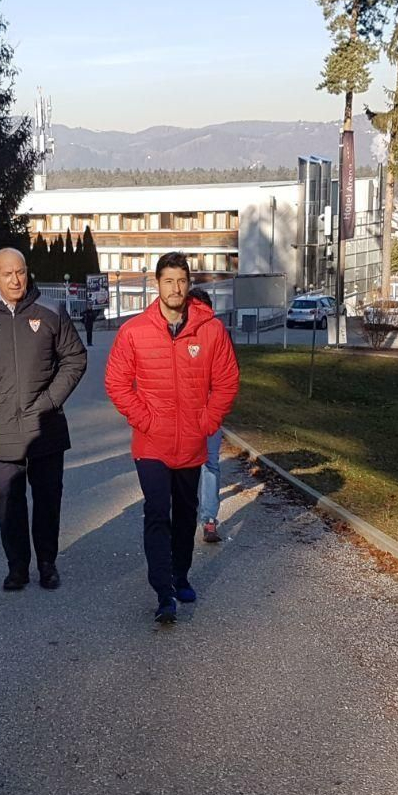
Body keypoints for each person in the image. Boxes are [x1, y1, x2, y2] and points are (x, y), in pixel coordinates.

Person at [104, 252, 239, 624]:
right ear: (157, 284)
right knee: (157, 513)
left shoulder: (210, 329)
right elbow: (116, 383)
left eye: (181, 281)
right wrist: (144, 419)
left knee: (185, 515)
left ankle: (180, 576)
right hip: (151, 443)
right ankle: (163, 592)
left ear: (188, 284)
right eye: (168, 281)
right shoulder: (134, 331)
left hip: (193, 443)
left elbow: (227, 381)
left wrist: (207, 422)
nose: (175, 288)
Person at [0, 247, 87, 591]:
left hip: (46, 427)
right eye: (8, 274)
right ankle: (16, 567)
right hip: (2, 430)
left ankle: (47, 563)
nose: (16, 280)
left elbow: (74, 358)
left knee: (47, 501)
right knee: (9, 503)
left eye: (21, 272)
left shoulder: (51, 311)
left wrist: (51, 400)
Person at [189, 288, 225, 544]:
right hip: (185, 413)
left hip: (208, 411)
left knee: (208, 464)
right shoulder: (175, 333)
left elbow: (226, 375)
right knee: (204, 465)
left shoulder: (217, 332)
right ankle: (206, 519)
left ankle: (208, 517)